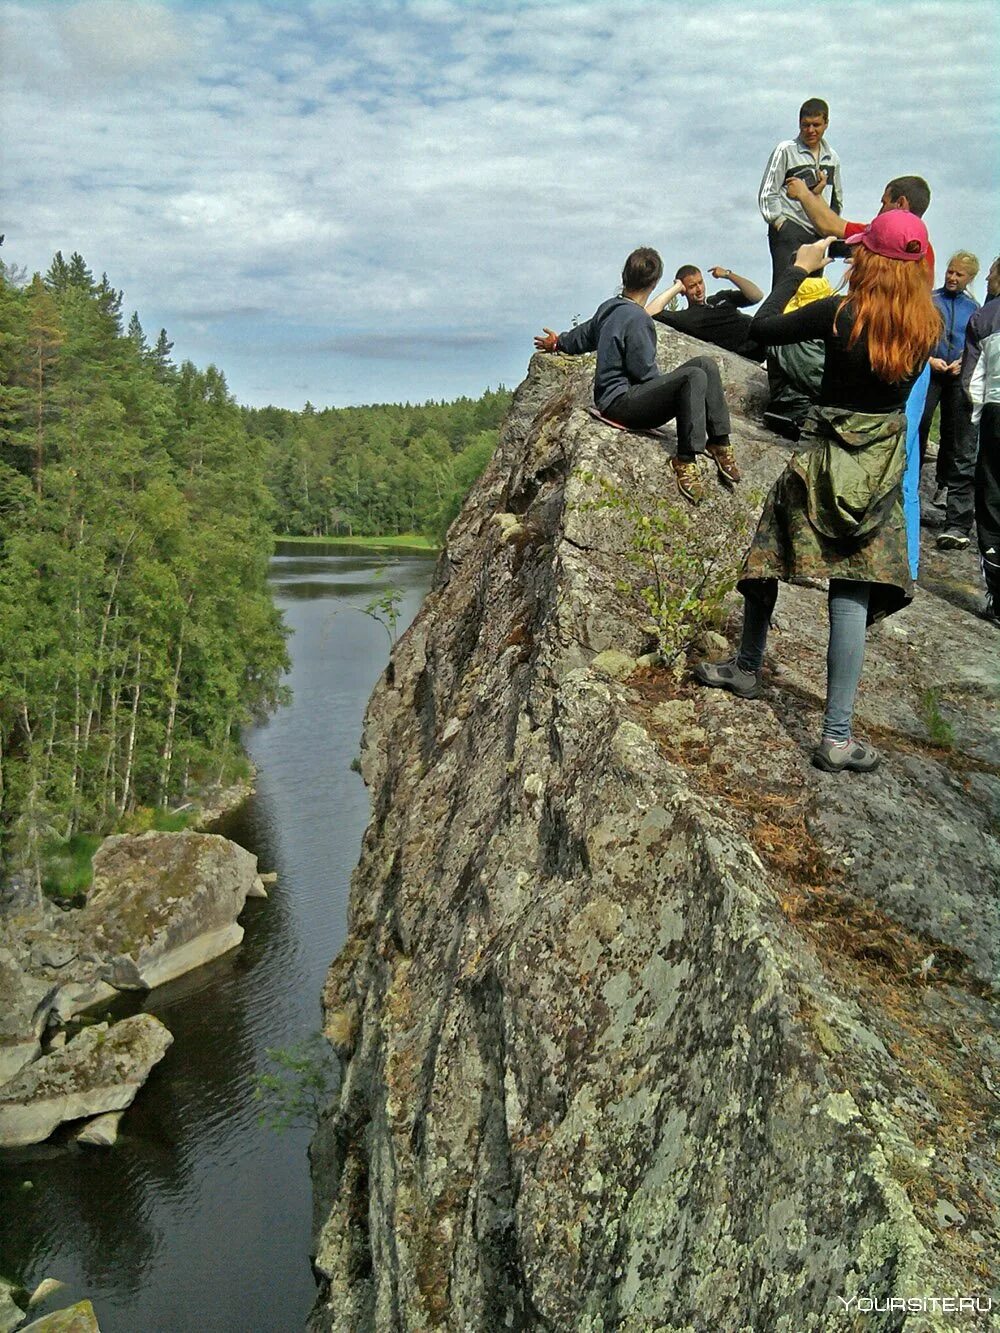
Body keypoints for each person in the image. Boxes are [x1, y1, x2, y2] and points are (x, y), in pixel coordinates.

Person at [694, 212, 940, 773]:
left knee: (765, 555)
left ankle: (748, 666)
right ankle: (835, 736)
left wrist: (797, 268)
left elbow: (762, 329)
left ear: (868, 261)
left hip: (821, 459)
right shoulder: (927, 329)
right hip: (877, 468)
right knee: (853, 587)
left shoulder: (841, 313)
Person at [784, 172, 935, 580]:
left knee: (883, 453)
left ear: (900, 203)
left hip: (876, 340)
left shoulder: (888, 236)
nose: (878, 210)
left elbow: (832, 227)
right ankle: (904, 563)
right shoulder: (918, 248)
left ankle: (874, 555)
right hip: (908, 348)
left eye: (884, 201)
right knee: (897, 454)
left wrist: (800, 194)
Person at [534, 247, 739, 504]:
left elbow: (583, 336)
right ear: (654, 282)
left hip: (614, 399)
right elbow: (642, 371)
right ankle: (685, 459)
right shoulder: (638, 319)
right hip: (621, 404)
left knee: (705, 364)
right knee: (694, 377)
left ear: (625, 276)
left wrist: (557, 343)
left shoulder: (610, 307)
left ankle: (719, 441)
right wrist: (674, 390)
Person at [921, 253, 980, 548]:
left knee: (957, 439)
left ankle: (955, 517)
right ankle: (908, 494)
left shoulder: (974, 308)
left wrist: (961, 361)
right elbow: (917, 335)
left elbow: (975, 344)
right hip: (929, 372)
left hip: (958, 375)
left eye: (959, 274)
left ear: (970, 279)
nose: (952, 278)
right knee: (919, 429)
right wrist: (928, 358)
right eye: (950, 271)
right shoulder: (931, 300)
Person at [758, 98, 843, 288]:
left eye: (816, 125)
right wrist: (781, 224)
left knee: (812, 291)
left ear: (826, 124)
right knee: (785, 289)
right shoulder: (785, 151)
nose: (811, 130)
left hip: (818, 233)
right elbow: (767, 192)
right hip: (790, 230)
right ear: (799, 124)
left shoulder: (832, 158)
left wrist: (830, 226)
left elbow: (837, 198)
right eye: (806, 125)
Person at [961, 255, 1000, 622]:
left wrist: (977, 418)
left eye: (990, 274)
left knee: (992, 500)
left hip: (996, 410)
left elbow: (973, 378)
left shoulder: (985, 317)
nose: (987, 279)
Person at [645, 265, 765, 361]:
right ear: (684, 290)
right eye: (692, 286)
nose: (699, 289)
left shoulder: (721, 297)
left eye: (700, 282)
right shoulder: (686, 318)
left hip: (765, 331)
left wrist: (728, 275)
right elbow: (649, 312)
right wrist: (676, 288)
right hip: (757, 351)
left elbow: (756, 296)